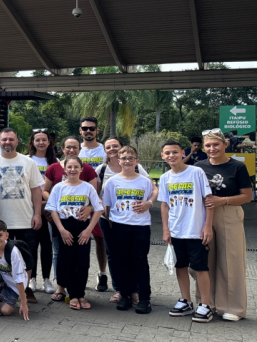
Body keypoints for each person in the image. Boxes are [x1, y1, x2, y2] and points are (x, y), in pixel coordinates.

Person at [0, 128, 44, 303]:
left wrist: (38, 214)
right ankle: (3, 287)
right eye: (4, 140)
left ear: (18, 141)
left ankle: (25, 289)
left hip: (26, 218)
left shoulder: (28, 162)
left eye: (11, 139)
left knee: (28, 256)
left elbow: (36, 190)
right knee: (1, 257)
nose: (7, 142)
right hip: (1, 222)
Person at [196, 130, 251, 321]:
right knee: (205, 259)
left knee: (230, 260)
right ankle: (207, 302)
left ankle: (233, 307)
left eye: (216, 145)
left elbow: (247, 196)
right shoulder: (198, 167)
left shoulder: (237, 167)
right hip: (204, 215)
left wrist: (224, 200)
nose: (212, 149)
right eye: (208, 145)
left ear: (225, 145)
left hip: (229, 213)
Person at [159, 140, 214, 322]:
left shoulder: (196, 172)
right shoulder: (165, 177)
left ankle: (205, 305)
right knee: (180, 266)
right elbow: (165, 205)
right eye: (167, 153)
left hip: (195, 230)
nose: (171, 156)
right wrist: (166, 229)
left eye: (175, 152)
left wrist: (207, 225)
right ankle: (186, 301)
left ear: (183, 153)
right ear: (162, 156)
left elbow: (209, 200)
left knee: (200, 268)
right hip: (176, 231)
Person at [101, 146, 158, 314]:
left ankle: (144, 298)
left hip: (140, 227)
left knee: (140, 261)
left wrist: (149, 203)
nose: (127, 161)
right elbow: (107, 207)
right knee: (122, 261)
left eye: (131, 158)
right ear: (119, 161)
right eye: (124, 158)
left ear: (136, 161)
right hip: (119, 226)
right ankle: (125, 295)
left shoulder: (145, 181)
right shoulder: (111, 182)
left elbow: (150, 198)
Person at [44, 136, 98, 301]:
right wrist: (60, 227)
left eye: (75, 147)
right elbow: (49, 201)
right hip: (63, 223)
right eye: (68, 147)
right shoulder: (57, 180)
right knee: (63, 256)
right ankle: (66, 291)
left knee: (82, 260)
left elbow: (96, 205)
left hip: (82, 223)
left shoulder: (87, 179)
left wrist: (89, 225)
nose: (71, 150)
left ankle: (78, 294)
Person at [78, 116, 109, 291]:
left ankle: (102, 274)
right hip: (79, 202)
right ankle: (76, 275)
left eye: (92, 128)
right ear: (80, 130)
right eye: (85, 128)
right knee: (77, 239)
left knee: (100, 239)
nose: (88, 131)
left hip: (100, 201)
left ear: (97, 130)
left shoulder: (105, 151)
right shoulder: (76, 151)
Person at [28, 129, 57, 294]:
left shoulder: (55, 161)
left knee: (47, 245)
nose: (40, 143)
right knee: (31, 244)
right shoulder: (27, 160)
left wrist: (48, 203)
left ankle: (47, 279)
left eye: (43, 140)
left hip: (48, 209)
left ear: (49, 142)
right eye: (37, 140)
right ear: (32, 142)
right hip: (30, 208)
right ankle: (32, 279)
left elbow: (58, 185)